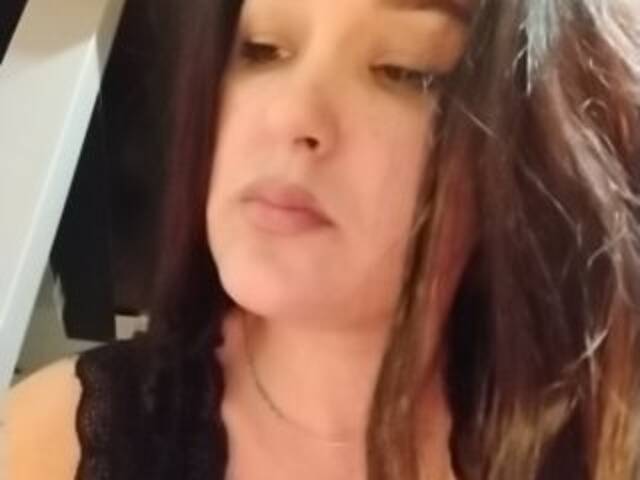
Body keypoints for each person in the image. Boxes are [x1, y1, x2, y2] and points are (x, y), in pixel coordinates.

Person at [6, 0, 640, 479]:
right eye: (261, 49)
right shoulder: (47, 448)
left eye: (404, 70)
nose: (292, 112)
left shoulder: (601, 444)